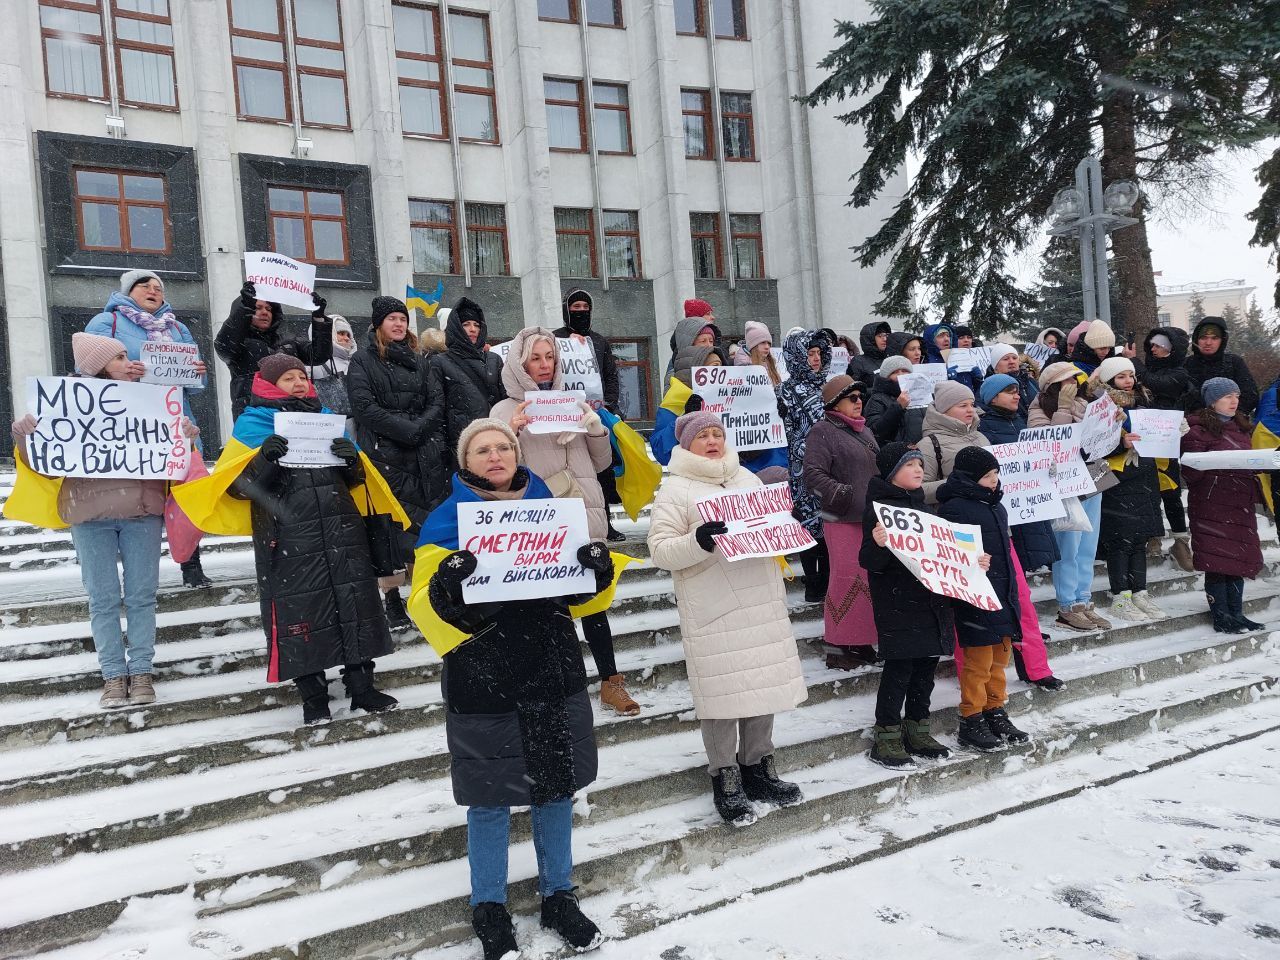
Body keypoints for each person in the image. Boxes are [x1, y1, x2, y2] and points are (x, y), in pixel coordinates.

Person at [420, 419, 612, 958]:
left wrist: (596, 572)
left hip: (549, 666)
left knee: (554, 787)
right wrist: (448, 585)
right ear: (467, 460)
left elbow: (582, 600)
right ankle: (489, 906)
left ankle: (559, 897)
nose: (497, 455)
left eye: (504, 445)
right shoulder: (444, 521)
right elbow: (426, 608)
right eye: (484, 448)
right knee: (488, 797)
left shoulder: (552, 509)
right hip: (484, 674)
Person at [10, 333, 198, 709]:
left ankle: (141, 670)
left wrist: (187, 439)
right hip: (89, 514)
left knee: (142, 597)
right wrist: (25, 438)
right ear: (97, 367)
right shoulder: (62, 406)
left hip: (141, 514)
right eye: (119, 358)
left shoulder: (154, 403)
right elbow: (44, 468)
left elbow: (175, 463)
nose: (130, 363)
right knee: (104, 598)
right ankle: (114, 674)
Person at [647, 411, 807, 825]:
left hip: (759, 599)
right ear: (686, 444)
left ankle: (758, 765)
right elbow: (661, 551)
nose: (713, 440)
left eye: (718, 433)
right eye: (704, 435)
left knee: (762, 685)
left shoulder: (747, 480)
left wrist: (786, 527)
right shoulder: (676, 490)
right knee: (721, 696)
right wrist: (699, 541)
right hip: (713, 605)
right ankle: (725, 775)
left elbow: (771, 530)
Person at [223, 353, 399, 723]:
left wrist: (352, 460)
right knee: (300, 615)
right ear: (269, 385)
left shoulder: (325, 420)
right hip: (289, 538)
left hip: (341, 530)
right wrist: (265, 460)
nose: (300, 383)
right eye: (289, 378)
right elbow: (239, 489)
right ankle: (313, 697)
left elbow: (352, 482)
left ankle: (362, 688)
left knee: (352, 605)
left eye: (302, 376)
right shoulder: (252, 425)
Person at [494, 329, 640, 717]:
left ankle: (611, 682)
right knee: (550, 613)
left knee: (594, 606)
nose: (545, 366)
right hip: (541, 525)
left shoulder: (571, 403)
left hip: (585, 515)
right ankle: (562, 689)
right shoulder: (502, 410)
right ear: (520, 364)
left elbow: (601, 463)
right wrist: (512, 431)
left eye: (550, 358)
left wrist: (595, 429)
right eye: (536, 358)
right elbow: (495, 472)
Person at [86, 269, 213, 589]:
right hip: (130, 427)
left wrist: (197, 372)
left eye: (158, 287)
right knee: (137, 499)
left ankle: (191, 564)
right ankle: (132, 570)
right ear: (128, 291)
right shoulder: (108, 323)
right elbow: (86, 370)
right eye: (145, 286)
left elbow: (196, 388)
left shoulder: (178, 328)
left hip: (176, 424)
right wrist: (125, 369)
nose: (153, 291)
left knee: (185, 497)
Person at [346, 295, 446, 627]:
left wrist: (418, 429)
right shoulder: (362, 361)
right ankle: (391, 600)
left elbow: (436, 401)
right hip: (384, 456)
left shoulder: (421, 361)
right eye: (391, 319)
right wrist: (405, 429)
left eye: (402, 318)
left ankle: (424, 596)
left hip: (421, 457)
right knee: (389, 531)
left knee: (422, 528)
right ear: (378, 325)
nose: (399, 323)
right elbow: (364, 406)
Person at [861, 443, 955, 767]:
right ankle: (886, 737)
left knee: (925, 671)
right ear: (891, 472)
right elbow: (869, 561)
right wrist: (876, 543)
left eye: (920, 464)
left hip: (929, 603)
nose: (919, 469)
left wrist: (973, 563)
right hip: (898, 603)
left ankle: (917, 730)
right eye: (910, 464)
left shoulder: (924, 507)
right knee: (899, 671)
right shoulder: (879, 508)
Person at [936, 446, 1030, 751]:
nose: (995, 480)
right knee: (979, 663)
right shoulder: (955, 507)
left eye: (996, 474)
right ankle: (971, 717)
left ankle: (994, 709)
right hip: (975, 595)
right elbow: (949, 552)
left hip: (1003, 592)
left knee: (1000, 659)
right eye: (988, 475)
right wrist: (971, 562)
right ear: (971, 477)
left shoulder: (996, 506)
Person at [977, 374, 1064, 690]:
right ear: (990, 397)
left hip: (1022, 517)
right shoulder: (983, 432)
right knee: (1006, 601)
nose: (1016, 395)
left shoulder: (1023, 424)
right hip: (994, 524)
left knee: (1022, 599)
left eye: (1017, 390)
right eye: (1008, 391)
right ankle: (985, 678)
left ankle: (1035, 667)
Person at [803, 376, 880, 668]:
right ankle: (839, 646)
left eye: (861, 396)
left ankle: (861, 641)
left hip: (870, 518)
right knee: (848, 582)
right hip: (841, 519)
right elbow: (812, 475)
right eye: (852, 397)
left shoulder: (865, 431)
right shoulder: (822, 432)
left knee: (868, 581)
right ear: (835, 403)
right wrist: (846, 494)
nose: (859, 401)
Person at [1029, 362, 1112, 633]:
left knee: (1089, 544)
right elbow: (1051, 443)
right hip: (1064, 484)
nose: (1074, 386)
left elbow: (1098, 440)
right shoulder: (1039, 407)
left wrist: (1113, 422)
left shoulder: (1084, 402)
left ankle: (1083, 600)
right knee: (1069, 548)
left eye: (1076, 380)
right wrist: (1063, 409)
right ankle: (1067, 605)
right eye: (1067, 382)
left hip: (1092, 478)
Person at [1182, 378, 1266, 633]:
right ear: (1212, 401)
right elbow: (1190, 472)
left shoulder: (1241, 428)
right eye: (1227, 396)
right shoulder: (1196, 430)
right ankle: (1221, 616)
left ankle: (1237, 614)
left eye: (1236, 396)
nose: (1234, 401)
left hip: (1239, 504)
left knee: (1238, 560)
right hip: (1211, 505)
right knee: (1216, 562)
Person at [1090, 357, 1167, 622]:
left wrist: (1171, 433)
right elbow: (1091, 445)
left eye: (1130, 376)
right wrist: (1121, 443)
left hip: (1143, 476)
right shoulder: (1100, 405)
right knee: (1120, 540)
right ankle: (1120, 595)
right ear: (1110, 379)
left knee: (1139, 539)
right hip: (1116, 480)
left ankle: (1140, 592)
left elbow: (1157, 438)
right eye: (1121, 376)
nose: (1128, 381)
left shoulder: (1144, 403)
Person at [553, 288, 626, 541]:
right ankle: (570, 526)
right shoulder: (555, 339)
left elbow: (610, 376)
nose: (581, 312)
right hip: (565, 418)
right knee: (571, 473)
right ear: (566, 310)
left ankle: (605, 524)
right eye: (576, 308)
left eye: (585, 307)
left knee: (602, 473)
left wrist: (610, 405)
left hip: (595, 416)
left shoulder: (599, 341)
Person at [214, 280, 332, 419]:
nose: (265, 312)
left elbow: (319, 356)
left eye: (269, 309)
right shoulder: (238, 344)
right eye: (257, 308)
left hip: (294, 414)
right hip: (256, 417)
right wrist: (244, 306)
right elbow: (225, 347)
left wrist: (318, 317)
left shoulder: (288, 341)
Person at [777, 330, 832, 602]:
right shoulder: (785, 391)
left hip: (832, 465)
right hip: (803, 468)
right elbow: (784, 432)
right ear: (797, 355)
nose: (815, 359)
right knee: (808, 523)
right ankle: (813, 582)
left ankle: (829, 580)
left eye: (819, 354)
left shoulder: (828, 386)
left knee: (830, 523)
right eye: (809, 354)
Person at [428, 297, 505, 477]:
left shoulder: (494, 360)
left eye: (476, 324)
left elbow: (505, 399)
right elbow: (437, 409)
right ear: (456, 327)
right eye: (466, 324)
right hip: (462, 445)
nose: (472, 329)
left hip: (496, 441)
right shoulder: (439, 362)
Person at [1139, 326, 1194, 571]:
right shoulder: (1143, 370)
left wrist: (1136, 365)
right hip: (1143, 439)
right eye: (1152, 344)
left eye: (1159, 344)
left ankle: (1181, 541)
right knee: (1147, 489)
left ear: (1172, 349)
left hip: (1166, 440)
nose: (1153, 348)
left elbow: (1162, 385)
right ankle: (1152, 535)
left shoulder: (1180, 372)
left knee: (1170, 491)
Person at [918, 381, 987, 504]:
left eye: (972, 404)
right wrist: (957, 485)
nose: (971, 410)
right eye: (963, 406)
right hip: (953, 518)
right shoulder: (929, 445)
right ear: (944, 410)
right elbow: (918, 491)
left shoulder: (980, 436)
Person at [1184, 316, 1259, 416]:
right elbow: (1180, 397)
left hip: (1231, 425)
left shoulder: (1234, 362)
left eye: (1214, 338)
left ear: (1222, 340)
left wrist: (1231, 415)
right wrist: (1201, 415)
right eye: (1203, 338)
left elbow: (1250, 395)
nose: (1208, 343)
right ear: (1196, 340)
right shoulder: (1186, 364)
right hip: (1194, 425)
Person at [864, 356, 925, 446]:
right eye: (894, 372)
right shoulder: (877, 399)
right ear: (886, 377)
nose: (901, 375)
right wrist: (898, 407)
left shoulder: (922, 396)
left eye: (904, 370)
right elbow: (874, 433)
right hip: (895, 454)